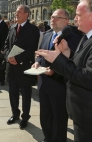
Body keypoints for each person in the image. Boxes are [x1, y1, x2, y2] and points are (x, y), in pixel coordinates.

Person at [35, 0, 92, 142]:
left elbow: (90, 79)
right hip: (85, 112)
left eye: (78, 15)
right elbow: (84, 64)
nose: (75, 18)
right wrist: (68, 53)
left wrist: (58, 61)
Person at [33, 9, 80, 142]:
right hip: (43, 83)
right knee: (45, 117)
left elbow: (73, 63)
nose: (52, 20)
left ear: (66, 21)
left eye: (56, 17)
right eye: (52, 17)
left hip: (59, 86)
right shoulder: (47, 34)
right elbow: (40, 54)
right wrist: (36, 63)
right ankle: (48, 138)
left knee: (59, 119)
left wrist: (55, 71)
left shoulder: (74, 39)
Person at [4, 5, 40, 129]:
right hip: (11, 67)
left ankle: (25, 117)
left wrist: (17, 59)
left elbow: (32, 49)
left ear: (26, 14)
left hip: (24, 67)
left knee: (25, 94)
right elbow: (6, 44)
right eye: (16, 11)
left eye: (19, 12)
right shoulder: (12, 27)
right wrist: (8, 57)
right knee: (12, 92)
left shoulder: (33, 29)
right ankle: (15, 114)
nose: (16, 14)